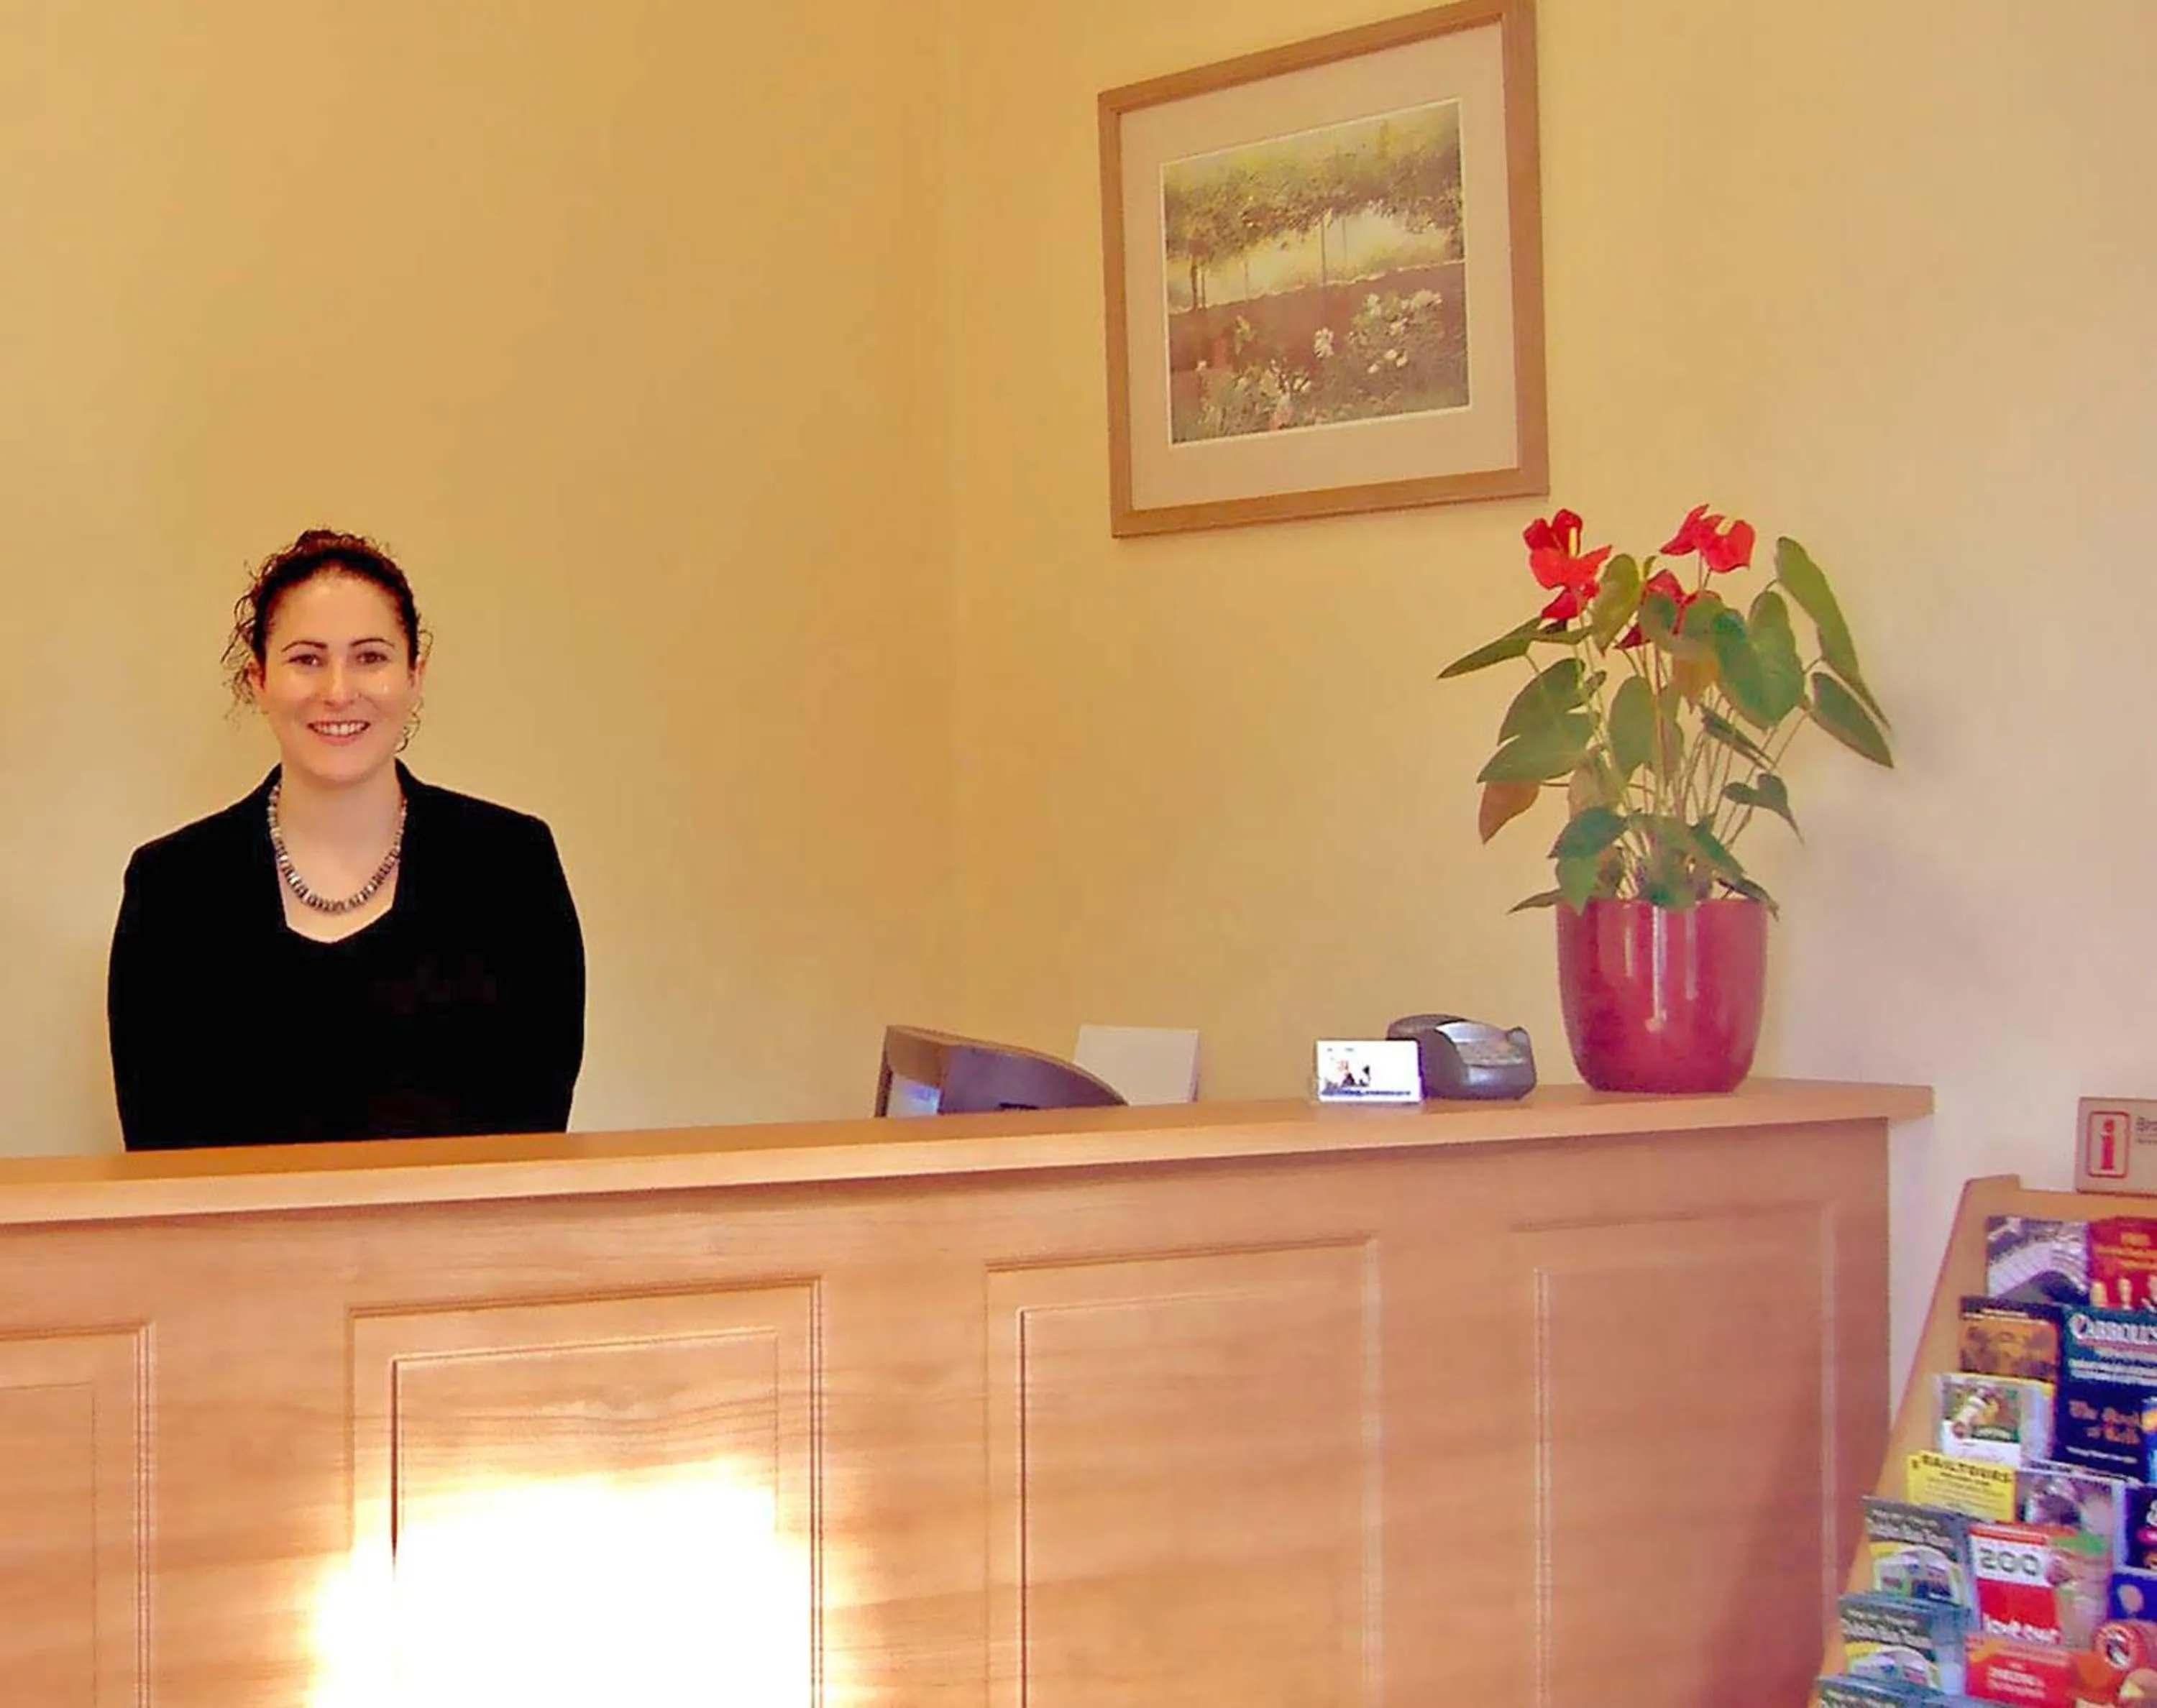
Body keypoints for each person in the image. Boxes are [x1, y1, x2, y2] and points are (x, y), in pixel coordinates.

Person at [106, 528, 585, 1149]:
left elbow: (533, 1135)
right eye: (307, 658)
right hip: (236, 1251)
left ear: (415, 675)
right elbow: (159, 1157)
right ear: (258, 679)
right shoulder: (172, 886)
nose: (338, 690)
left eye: (371, 657)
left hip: (464, 1249)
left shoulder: (511, 866)